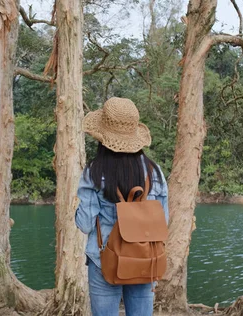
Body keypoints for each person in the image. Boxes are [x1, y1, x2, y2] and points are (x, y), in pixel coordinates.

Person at [75, 97, 169, 316]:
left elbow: (85, 224)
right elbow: (163, 222)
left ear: (102, 138)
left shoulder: (94, 172)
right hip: (145, 260)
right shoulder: (154, 173)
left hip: (104, 258)